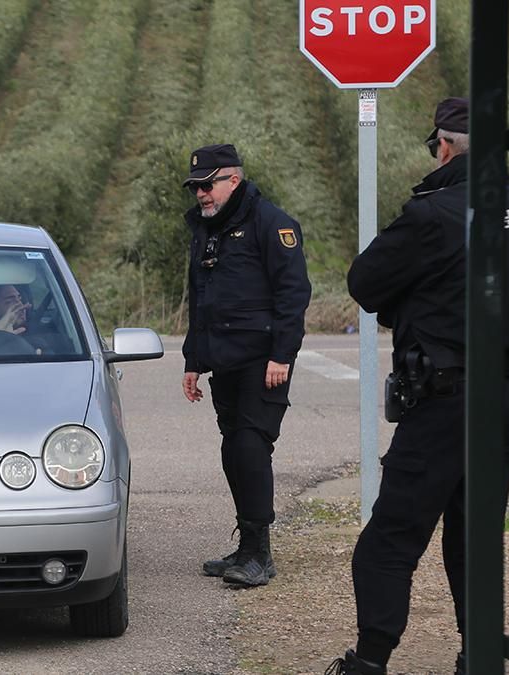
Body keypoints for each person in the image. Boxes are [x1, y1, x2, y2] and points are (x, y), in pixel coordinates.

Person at [328, 98, 509, 675]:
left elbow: (366, 282)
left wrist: (415, 306)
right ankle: (479, 656)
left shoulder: (434, 213)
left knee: (390, 541)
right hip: (504, 397)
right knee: (474, 538)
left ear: (444, 147)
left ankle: (368, 663)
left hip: (444, 399)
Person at [180, 143, 312, 588]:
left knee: (252, 448)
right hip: (224, 362)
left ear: (232, 180)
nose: (200, 194)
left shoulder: (270, 223)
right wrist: (193, 361)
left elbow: (293, 294)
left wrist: (282, 355)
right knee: (233, 449)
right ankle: (247, 546)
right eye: (196, 186)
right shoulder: (207, 229)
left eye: (207, 184)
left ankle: (259, 554)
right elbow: (199, 299)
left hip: (262, 361)